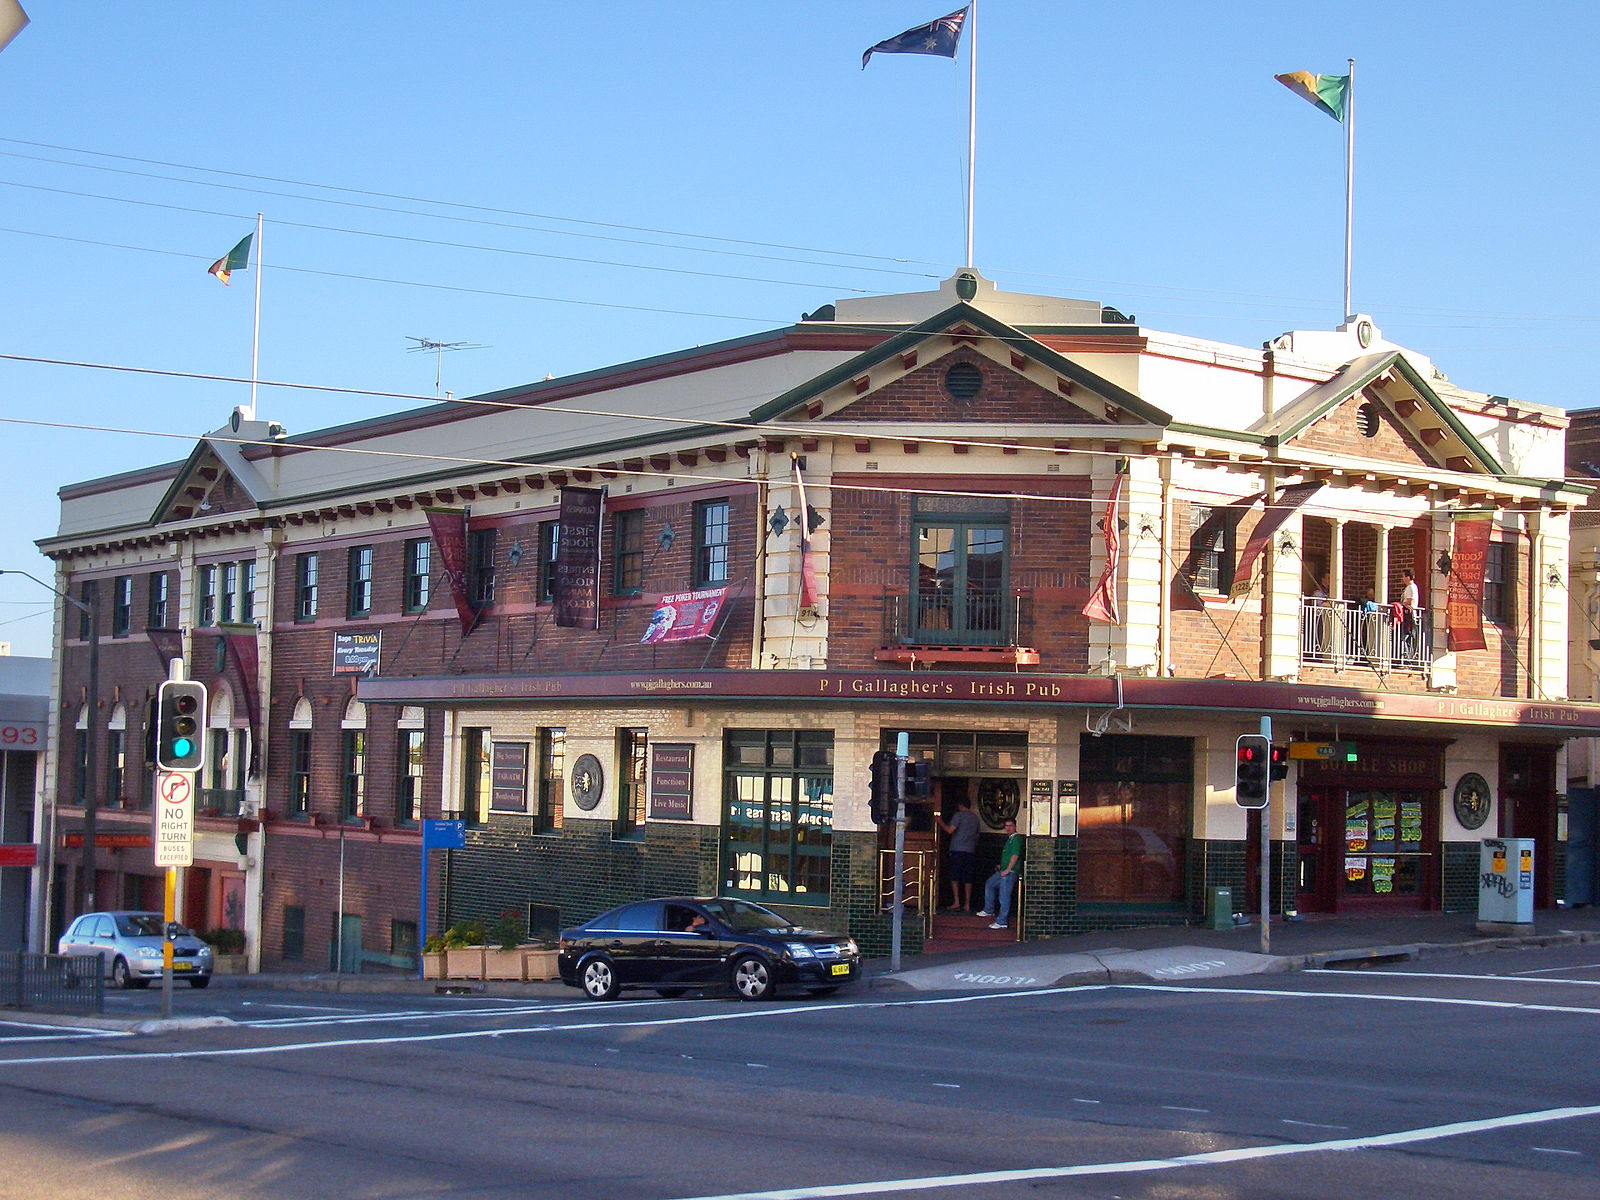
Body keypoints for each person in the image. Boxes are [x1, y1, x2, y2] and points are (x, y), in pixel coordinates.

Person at [975, 818, 1024, 929]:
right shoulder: (1010, 839)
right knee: (990, 884)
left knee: (1004, 896)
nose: (1008, 828)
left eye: (1010, 825)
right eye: (1006, 826)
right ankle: (989, 909)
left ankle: (1002, 921)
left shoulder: (1016, 838)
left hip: (1010, 872)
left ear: (1015, 826)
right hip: (1004, 870)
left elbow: (1015, 856)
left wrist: (1007, 869)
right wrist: (1002, 867)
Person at [937, 797, 981, 912]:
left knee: (954, 876)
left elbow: (950, 830)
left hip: (957, 850)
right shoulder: (975, 818)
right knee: (968, 878)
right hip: (970, 851)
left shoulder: (959, 816)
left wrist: (939, 821)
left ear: (960, 805)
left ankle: (956, 901)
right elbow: (977, 837)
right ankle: (967, 904)